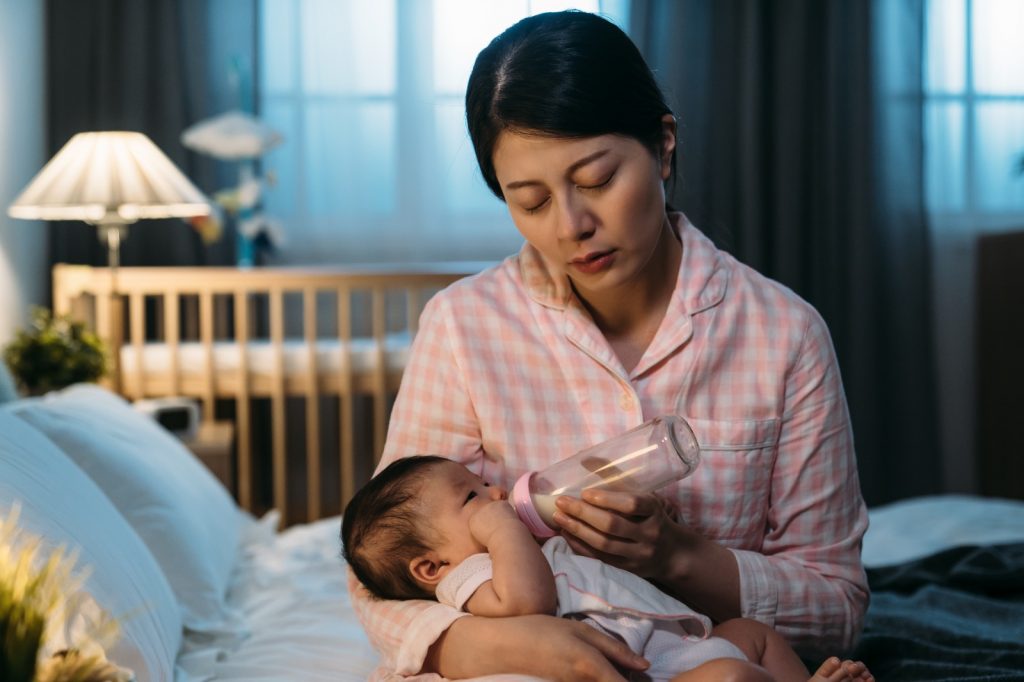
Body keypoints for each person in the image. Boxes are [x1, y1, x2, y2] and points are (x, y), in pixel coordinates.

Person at [347, 9, 870, 681]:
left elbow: (838, 608)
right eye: (531, 201)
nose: (572, 226)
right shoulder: (463, 327)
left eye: (596, 180)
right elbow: (382, 573)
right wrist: (509, 645)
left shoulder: (783, 335)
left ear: (664, 145)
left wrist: (676, 557)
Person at [342, 455, 873, 682]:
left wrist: (658, 526)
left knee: (754, 636)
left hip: (683, 639)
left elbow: (605, 580)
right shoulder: (471, 581)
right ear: (431, 567)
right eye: (472, 497)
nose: (496, 494)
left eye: (485, 486)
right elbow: (532, 604)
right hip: (653, 671)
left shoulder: (534, 547)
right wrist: (501, 524)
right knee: (734, 675)